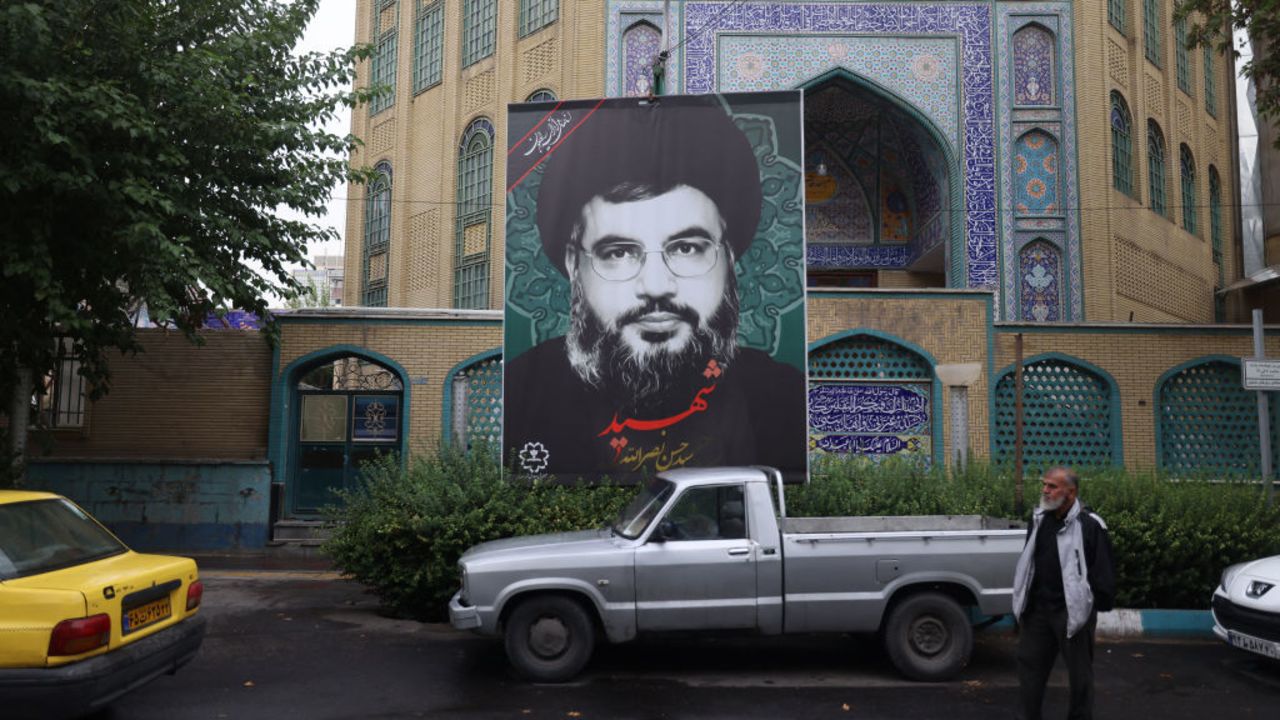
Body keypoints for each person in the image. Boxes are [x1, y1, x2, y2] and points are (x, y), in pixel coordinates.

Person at [503, 96, 807, 481]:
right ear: (572, 264)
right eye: (618, 253)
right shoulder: (525, 393)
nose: (657, 287)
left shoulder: (782, 398)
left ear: (729, 259)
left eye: (686, 248)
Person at [1012, 466, 1116, 720]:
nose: (1045, 490)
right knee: (1029, 669)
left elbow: (1103, 571)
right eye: (1044, 485)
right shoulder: (1038, 519)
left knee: (1080, 677)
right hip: (1039, 611)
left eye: (1052, 486)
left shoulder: (1090, 524)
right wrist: (1023, 604)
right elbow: (1030, 561)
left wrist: (1094, 607)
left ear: (1071, 492)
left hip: (1072, 613)